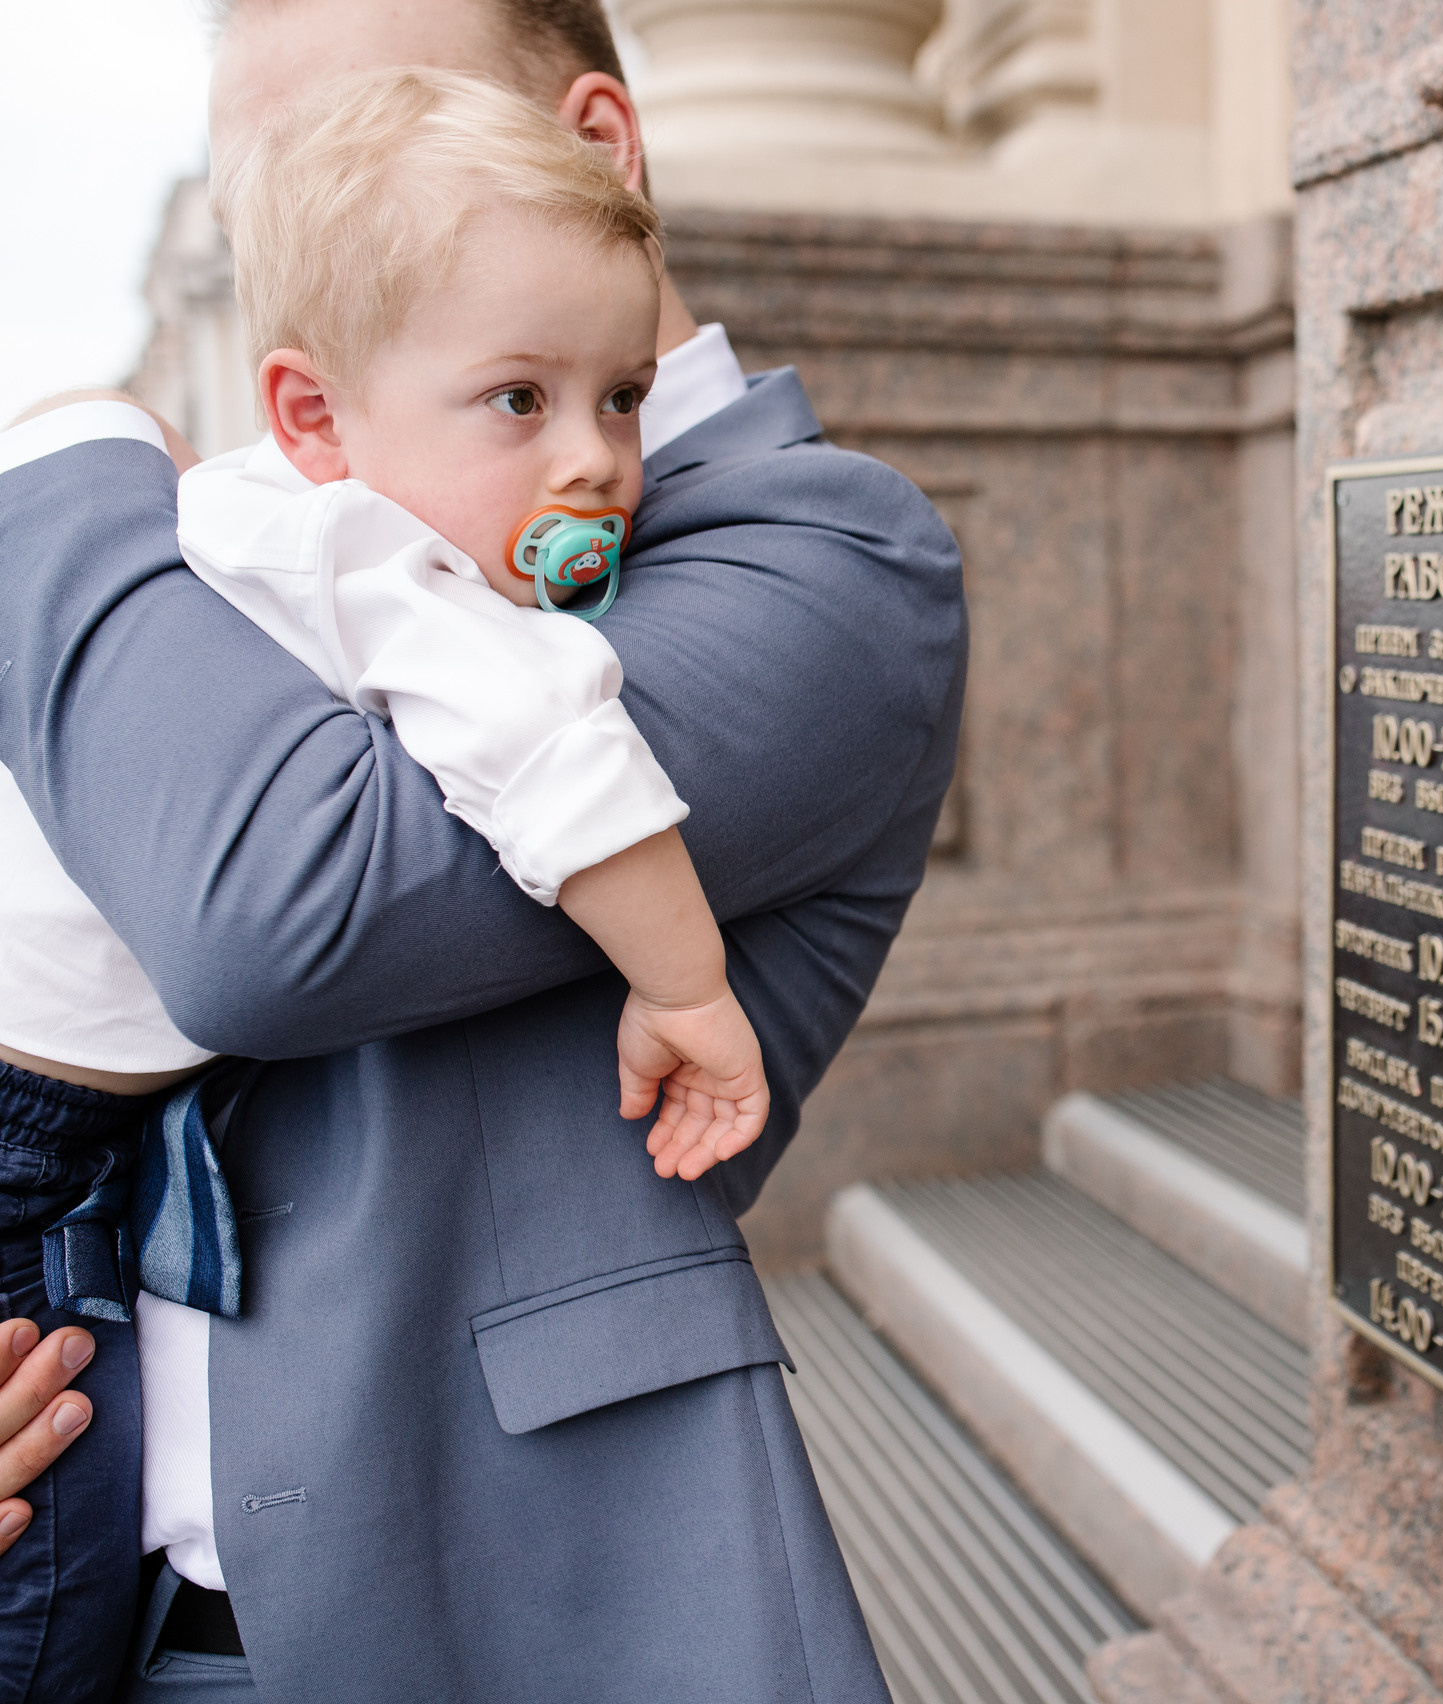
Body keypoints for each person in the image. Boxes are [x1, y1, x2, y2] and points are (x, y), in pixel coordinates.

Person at [0, 1, 966, 1697]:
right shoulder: (316, 526)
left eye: (356, 141)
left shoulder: (822, 567)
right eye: (263, 197)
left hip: (485, 1617)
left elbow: (261, 912)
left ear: (595, 144)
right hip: (102, 1595)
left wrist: (67, 469)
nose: (307, 235)